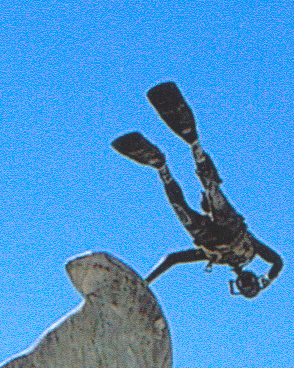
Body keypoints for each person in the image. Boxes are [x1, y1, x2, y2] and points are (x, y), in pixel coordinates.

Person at [111, 82, 283, 298]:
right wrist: (268, 279)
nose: (246, 282)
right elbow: (277, 262)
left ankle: (161, 166)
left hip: (208, 237)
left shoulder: (214, 258)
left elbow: (174, 259)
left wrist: (145, 282)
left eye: (243, 286)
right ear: (255, 279)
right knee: (211, 188)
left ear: (236, 285)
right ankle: (194, 145)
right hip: (231, 226)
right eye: (251, 284)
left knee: (180, 208)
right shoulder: (252, 250)